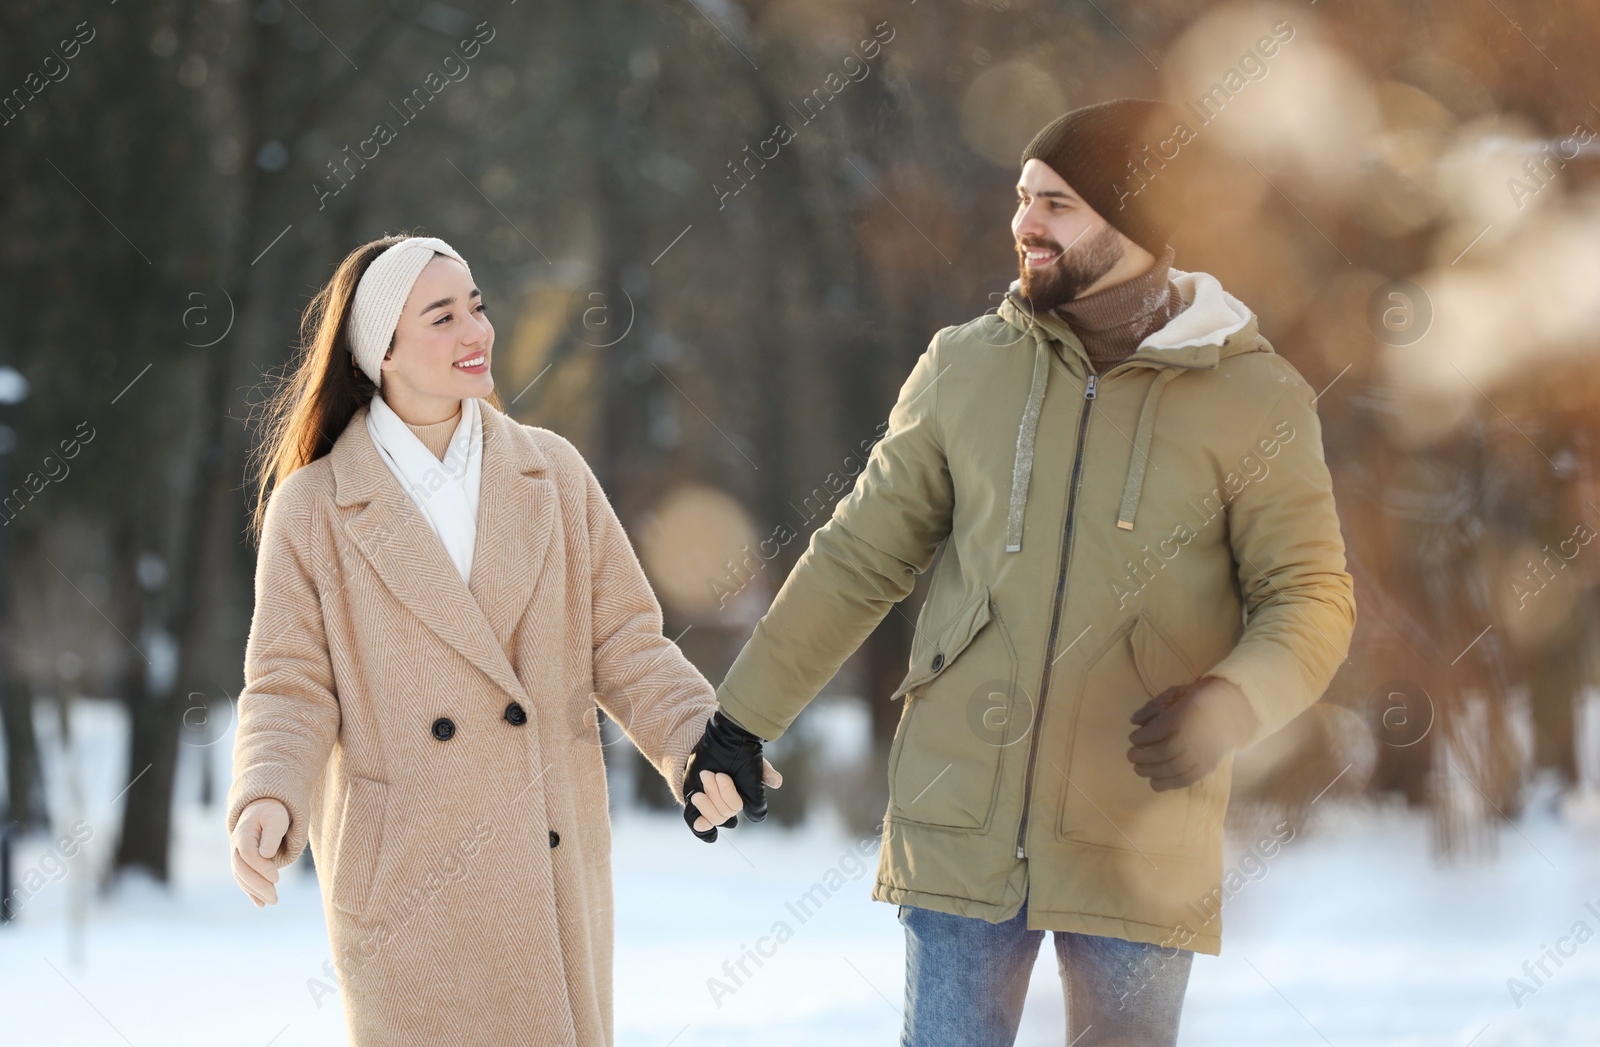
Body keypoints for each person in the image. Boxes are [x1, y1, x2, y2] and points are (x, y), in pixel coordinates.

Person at [679, 98, 1357, 1045]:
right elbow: (860, 556)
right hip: (960, 824)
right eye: (1022, 197)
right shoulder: (966, 366)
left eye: (1059, 203)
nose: (1025, 225)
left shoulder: (1254, 396)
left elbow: (1310, 598)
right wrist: (741, 720)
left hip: (1138, 832)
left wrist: (1234, 702)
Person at [225, 234, 776, 1045]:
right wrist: (268, 792)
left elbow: (625, 641)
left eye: (477, 306)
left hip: (547, 857)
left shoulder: (552, 473)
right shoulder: (312, 508)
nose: (476, 330)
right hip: (404, 885)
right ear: (379, 350)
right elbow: (288, 684)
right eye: (443, 315)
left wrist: (698, 738)